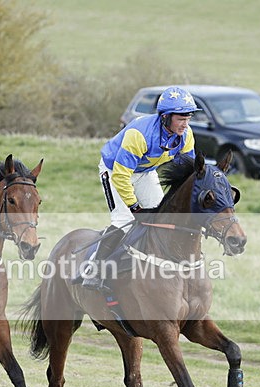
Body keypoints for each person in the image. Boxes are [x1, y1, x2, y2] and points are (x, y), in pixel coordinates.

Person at [82, 85, 200, 292]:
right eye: (181, 118)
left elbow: (188, 172)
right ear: (165, 117)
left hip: (145, 172)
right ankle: (94, 268)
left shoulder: (186, 135)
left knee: (161, 217)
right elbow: (121, 176)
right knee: (124, 221)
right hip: (114, 171)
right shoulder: (139, 134)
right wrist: (134, 207)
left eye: (188, 118)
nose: (185, 124)